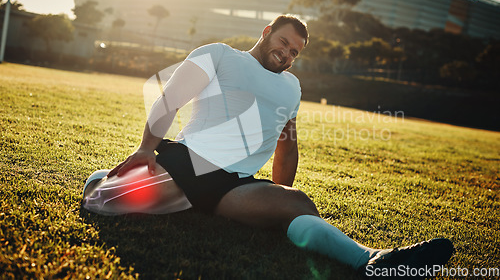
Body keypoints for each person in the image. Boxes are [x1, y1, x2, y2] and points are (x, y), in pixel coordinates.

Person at [82, 15, 454, 278]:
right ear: (267, 32)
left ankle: (372, 261)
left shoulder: (291, 87)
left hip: (235, 186)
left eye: (295, 52)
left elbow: (286, 144)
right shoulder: (220, 55)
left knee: (298, 203)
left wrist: (280, 188)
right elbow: (170, 99)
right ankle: (103, 176)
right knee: (100, 202)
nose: (287, 54)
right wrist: (147, 148)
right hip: (188, 165)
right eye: (284, 43)